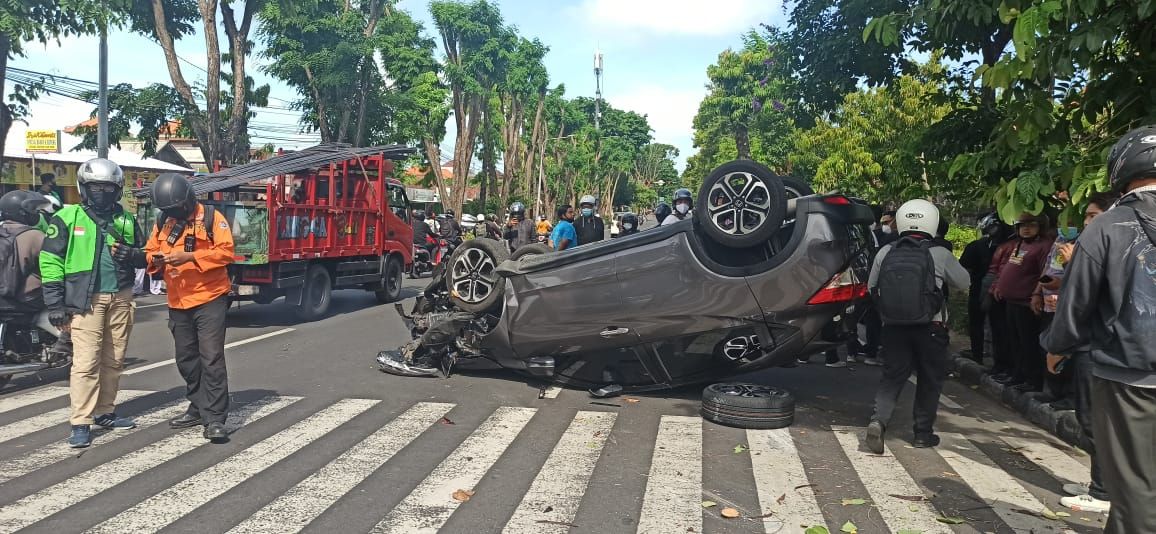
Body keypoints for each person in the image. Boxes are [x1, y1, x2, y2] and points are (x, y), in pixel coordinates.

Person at [1042, 126, 1156, 531]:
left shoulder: (1107, 227)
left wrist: (1057, 346)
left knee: (1135, 489)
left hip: (1129, 377)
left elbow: (1076, 305)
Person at [40, 158, 144, 448]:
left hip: (121, 298)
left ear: (118, 190)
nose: (102, 192)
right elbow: (50, 261)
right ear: (84, 188)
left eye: (108, 187)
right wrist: (56, 304)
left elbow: (145, 254)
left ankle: (106, 411)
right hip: (85, 302)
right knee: (86, 363)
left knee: (114, 360)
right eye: (95, 187)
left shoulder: (126, 220)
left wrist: (131, 254)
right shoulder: (67, 218)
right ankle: (81, 421)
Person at [865, 199, 970, 454]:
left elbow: (871, 288)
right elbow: (965, 282)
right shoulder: (940, 254)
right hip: (931, 328)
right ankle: (923, 434)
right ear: (932, 222)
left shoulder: (885, 252)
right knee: (929, 380)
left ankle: (878, 421)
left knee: (892, 377)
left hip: (893, 327)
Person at [146, 173, 236, 442]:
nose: (174, 214)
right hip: (178, 300)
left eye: (176, 209)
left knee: (211, 358)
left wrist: (190, 256)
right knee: (186, 359)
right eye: (169, 211)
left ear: (187, 200)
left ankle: (215, 418)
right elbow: (150, 251)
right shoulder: (164, 221)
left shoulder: (211, 218)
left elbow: (226, 252)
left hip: (210, 298)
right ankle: (198, 406)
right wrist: (158, 259)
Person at [991, 212, 1054, 392]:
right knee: (1015, 342)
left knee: (1029, 344)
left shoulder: (1043, 246)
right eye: (1022, 225)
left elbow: (1046, 273)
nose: (1026, 229)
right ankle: (1018, 375)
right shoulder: (1020, 244)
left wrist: (1036, 295)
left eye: (1031, 225)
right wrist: (999, 286)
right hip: (1012, 301)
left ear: (1040, 226)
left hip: (1027, 303)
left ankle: (1033, 380)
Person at [959, 214, 1011, 364]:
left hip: (982, 291)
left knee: (979, 325)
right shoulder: (1012, 246)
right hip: (1001, 294)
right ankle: (999, 361)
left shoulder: (977, 246)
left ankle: (979, 356)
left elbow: (964, 272)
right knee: (1000, 328)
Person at [0, 191, 51, 312]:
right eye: (33, 209)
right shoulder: (35, 235)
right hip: (27, 301)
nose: (37, 213)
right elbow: (54, 264)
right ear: (22, 212)